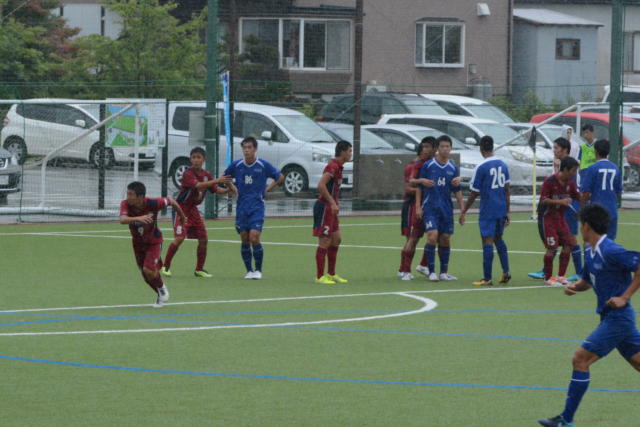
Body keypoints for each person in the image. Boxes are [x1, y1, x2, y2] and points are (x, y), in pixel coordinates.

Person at [537, 204, 640, 427]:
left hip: (618, 318)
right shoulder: (590, 250)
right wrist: (575, 286)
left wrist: (624, 297)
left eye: (579, 224)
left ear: (586, 226)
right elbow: (587, 280)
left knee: (580, 359)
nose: (578, 228)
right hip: (612, 318)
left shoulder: (610, 250)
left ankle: (566, 420)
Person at [160, 147, 236, 278]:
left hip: (193, 210)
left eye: (198, 157)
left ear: (204, 159)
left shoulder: (206, 175)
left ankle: (199, 269)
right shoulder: (187, 174)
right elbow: (198, 185)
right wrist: (218, 180)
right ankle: (165, 266)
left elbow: (216, 190)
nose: (196, 160)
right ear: (190, 159)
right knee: (179, 238)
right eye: (193, 157)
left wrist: (229, 188)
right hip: (180, 209)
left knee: (203, 239)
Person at [224, 136, 284, 279]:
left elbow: (280, 177)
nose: (247, 150)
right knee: (244, 238)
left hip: (257, 207)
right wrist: (232, 187)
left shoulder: (262, 165)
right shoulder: (237, 165)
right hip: (241, 207)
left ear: (255, 149)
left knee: (254, 237)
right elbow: (225, 177)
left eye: (249, 147)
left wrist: (267, 189)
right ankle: (249, 270)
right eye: (244, 147)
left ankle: (258, 270)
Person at [119, 181, 186, 307]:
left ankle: (162, 288)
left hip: (154, 241)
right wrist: (138, 218)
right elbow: (122, 220)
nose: (128, 197)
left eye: (131, 194)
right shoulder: (126, 204)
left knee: (148, 270)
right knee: (145, 274)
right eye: (127, 194)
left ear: (140, 197)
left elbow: (172, 201)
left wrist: (182, 216)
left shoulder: (153, 203)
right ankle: (160, 294)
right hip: (138, 244)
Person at [459, 136, 511, 286]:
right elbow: (507, 190)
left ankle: (487, 278)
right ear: (492, 147)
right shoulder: (503, 165)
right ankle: (506, 271)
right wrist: (508, 210)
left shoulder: (481, 167)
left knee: (487, 240)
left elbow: (474, 193)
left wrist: (464, 211)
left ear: (481, 149)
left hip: (488, 209)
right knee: (498, 238)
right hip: (501, 208)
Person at [528, 138, 582, 281]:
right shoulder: (557, 172)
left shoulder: (569, 171)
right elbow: (548, 196)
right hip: (552, 214)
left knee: (570, 241)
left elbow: (576, 194)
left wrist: (584, 206)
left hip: (566, 212)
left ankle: (574, 272)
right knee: (555, 243)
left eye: (556, 147)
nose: (554, 150)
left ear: (565, 150)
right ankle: (549, 274)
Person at [415, 135, 463, 282]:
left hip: (446, 209)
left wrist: (463, 210)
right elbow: (419, 187)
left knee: (445, 239)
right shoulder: (428, 165)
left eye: (447, 146)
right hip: (430, 208)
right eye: (442, 146)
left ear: (451, 148)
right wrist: (418, 206)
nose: (445, 149)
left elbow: (457, 190)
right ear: (437, 149)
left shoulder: (453, 168)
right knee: (432, 236)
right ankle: (431, 272)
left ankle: (443, 272)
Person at [313, 140, 353, 285]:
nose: (351, 154)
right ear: (342, 152)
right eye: (349, 151)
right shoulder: (332, 166)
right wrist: (332, 202)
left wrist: (335, 203)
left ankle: (331, 274)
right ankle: (319, 277)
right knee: (325, 241)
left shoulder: (339, 167)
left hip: (331, 209)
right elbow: (321, 185)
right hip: (324, 208)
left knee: (336, 239)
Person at [537, 157, 581, 286]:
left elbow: (578, 197)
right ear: (566, 169)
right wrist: (560, 201)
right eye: (573, 171)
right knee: (552, 247)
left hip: (560, 218)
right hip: (547, 219)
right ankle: (548, 278)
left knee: (569, 244)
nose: (574, 174)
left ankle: (561, 276)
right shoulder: (549, 181)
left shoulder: (570, 184)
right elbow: (544, 200)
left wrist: (587, 195)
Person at [397, 137, 436, 280]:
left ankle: (423, 265)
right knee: (412, 238)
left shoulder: (432, 164)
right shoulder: (414, 166)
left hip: (428, 206)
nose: (425, 150)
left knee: (434, 234)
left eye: (428, 147)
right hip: (412, 205)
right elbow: (408, 188)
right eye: (423, 147)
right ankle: (404, 270)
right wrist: (425, 188)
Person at [579, 139, 622, 240]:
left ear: (596, 151)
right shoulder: (616, 168)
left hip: (596, 212)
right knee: (610, 242)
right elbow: (618, 193)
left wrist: (582, 209)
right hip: (612, 211)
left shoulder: (592, 168)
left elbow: (585, 193)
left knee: (594, 241)